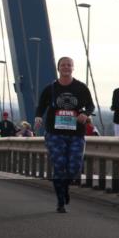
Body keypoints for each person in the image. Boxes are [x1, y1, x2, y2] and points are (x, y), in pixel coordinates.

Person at [35, 56, 95, 213]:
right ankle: (60, 201)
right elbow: (41, 105)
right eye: (63, 65)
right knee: (59, 166)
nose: (66, 67)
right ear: (58, 68)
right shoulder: (51, 88)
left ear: (73, 67)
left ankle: (65, 187)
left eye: (69, 65)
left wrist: (86, 113)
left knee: (75, 167)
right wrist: (38, 116)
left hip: (76, 133)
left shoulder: (81, 88)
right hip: (55, 134)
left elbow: (90, 105)